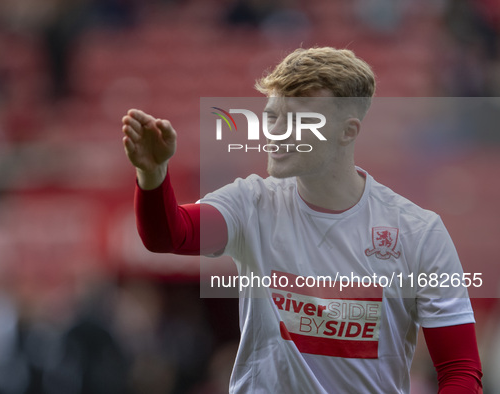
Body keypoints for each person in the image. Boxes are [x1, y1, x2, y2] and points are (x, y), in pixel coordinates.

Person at [121, 47, 483, 393]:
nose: (277, 132)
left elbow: (460, 370)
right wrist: (152, 176)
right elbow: (170, 235)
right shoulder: (252, 203)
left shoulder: (420, 233)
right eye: (272, 117)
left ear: (347, 132)